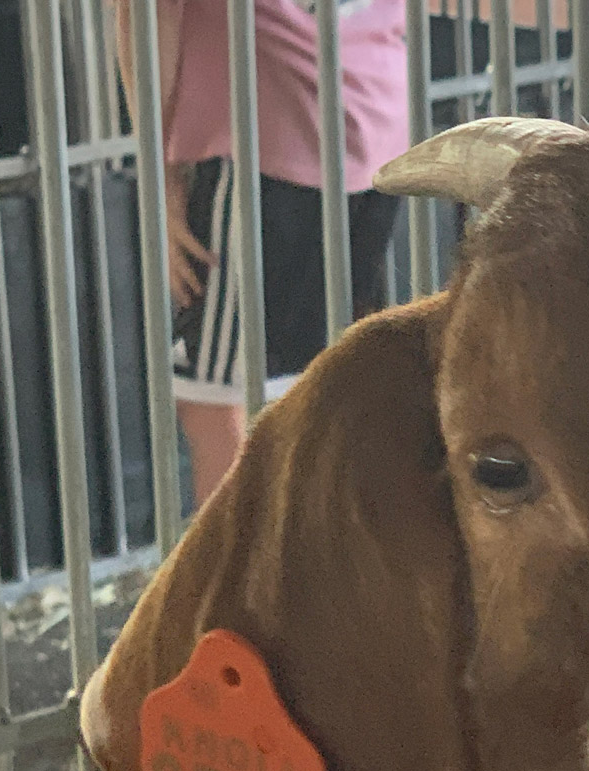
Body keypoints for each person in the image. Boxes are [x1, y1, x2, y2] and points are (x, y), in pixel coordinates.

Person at [118, 0, 408, 503]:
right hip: (378, 130)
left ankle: (241, 576)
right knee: (326, 387)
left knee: (216, 399)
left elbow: (144, 17)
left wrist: (158, 176)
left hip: (264, 144)